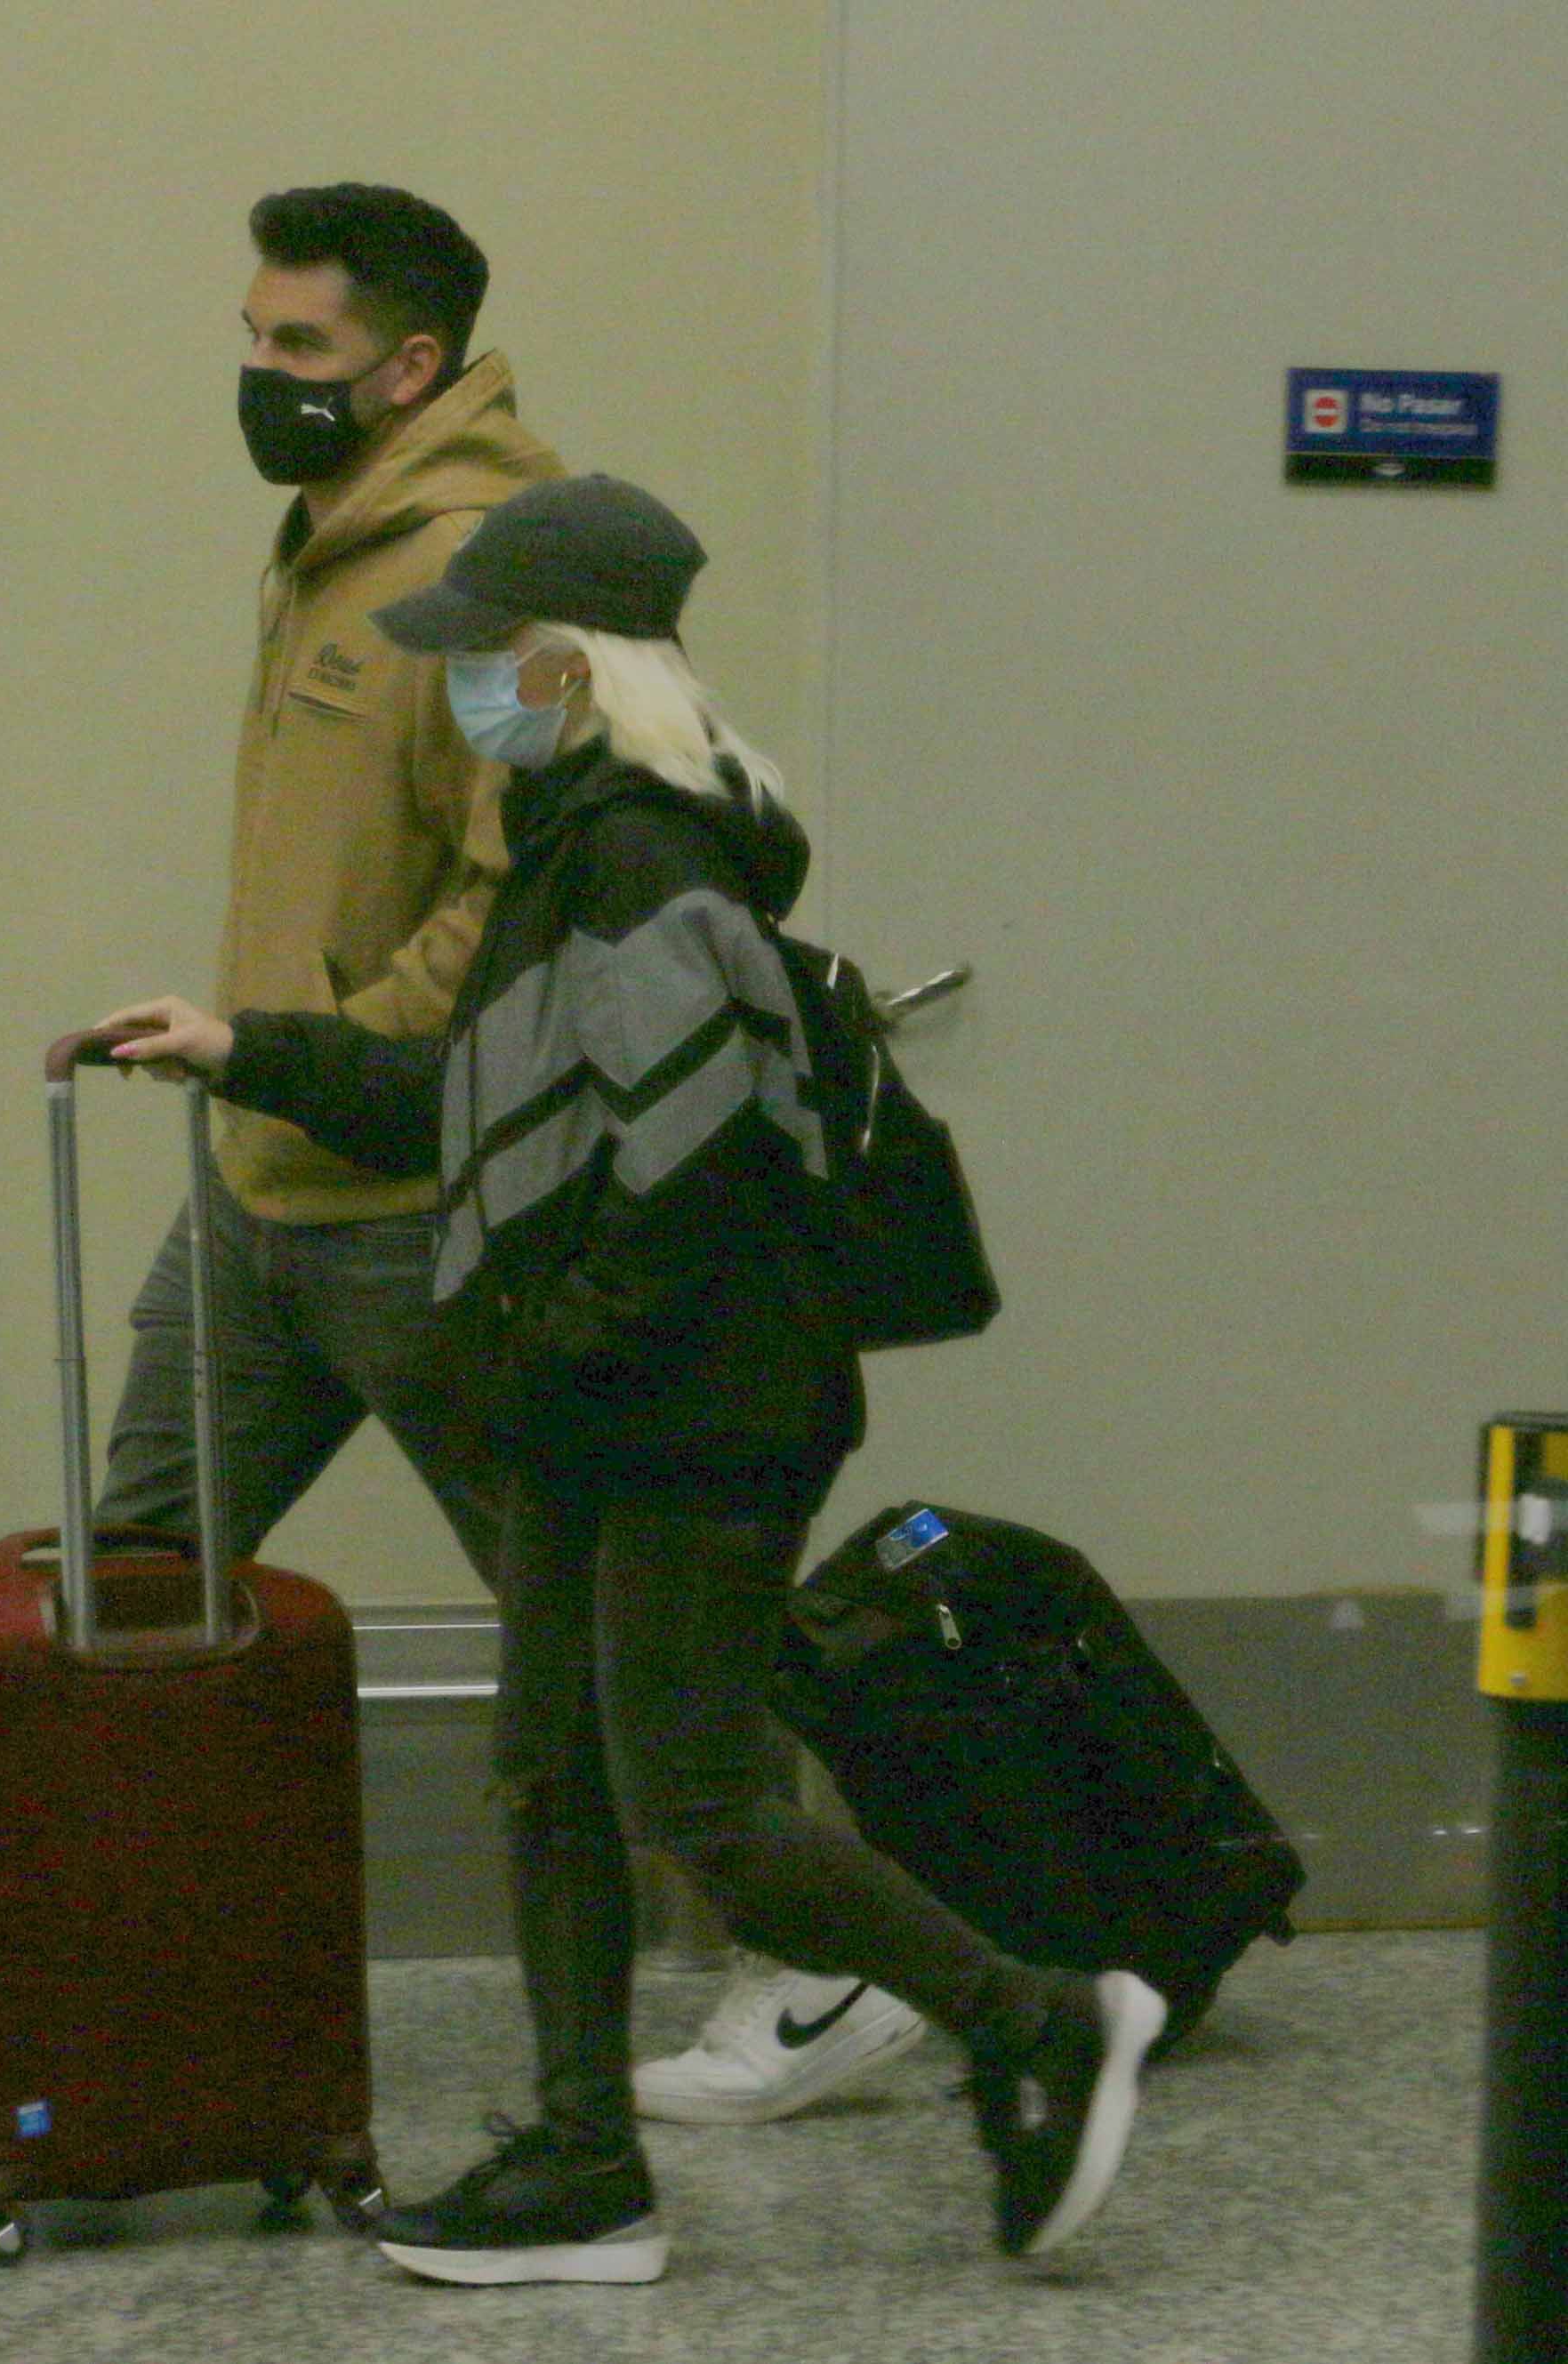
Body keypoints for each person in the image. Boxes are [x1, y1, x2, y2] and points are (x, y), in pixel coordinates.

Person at [0, 181, 922, 2127]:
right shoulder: (331, 546)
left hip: (426, 1211)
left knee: (614, 1650)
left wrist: (337, 1061)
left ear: (409, 365)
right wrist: (269, 1071)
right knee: (129, 1575)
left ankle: (830, 1970)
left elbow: (506, 915)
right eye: (252, 339)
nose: (260, 375)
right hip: (264, 1189)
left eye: (299, 349)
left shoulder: (503, 576)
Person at [100, 473, 1166, 2288]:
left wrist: (542, 1360)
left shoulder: (646, 866)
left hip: (693, 1424)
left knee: (699, 1811)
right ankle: (587, 2167)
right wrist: (248, 1052)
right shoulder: (577, 842)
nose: (462, 692)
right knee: (546, 1784)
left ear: (572, 669)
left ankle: (1039, 2019)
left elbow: (693, 1197)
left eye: (485, 658)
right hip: (609, 1411)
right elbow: (479, 1099)